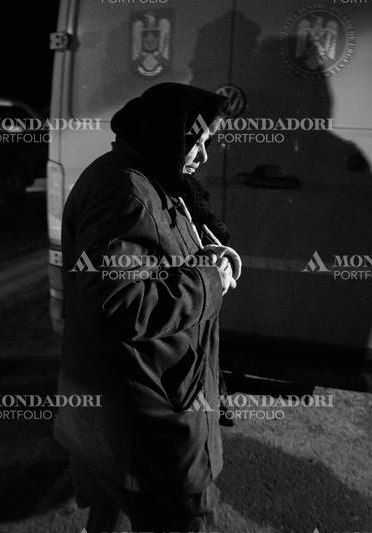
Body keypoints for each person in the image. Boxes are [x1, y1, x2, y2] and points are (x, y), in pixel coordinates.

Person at [54, 83, 241, 532]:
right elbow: (118, 304)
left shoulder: (151, 178)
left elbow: (153, 263)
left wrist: (202, 256)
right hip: (150, 414)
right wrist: (211, 281)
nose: (203, 155)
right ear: (165, 134)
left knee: (115, 507)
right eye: (196, 142)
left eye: (207, 142)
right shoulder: (126, 191)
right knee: (182, 516)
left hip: (143, 403)